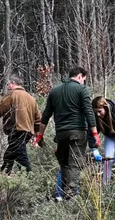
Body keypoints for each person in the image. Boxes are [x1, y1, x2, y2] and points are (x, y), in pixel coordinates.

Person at [36, 67, 97, 200]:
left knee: (64, 163)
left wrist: (40, 134)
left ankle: (63, 193)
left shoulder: (54, 91)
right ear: (80, 76)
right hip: (78, 132)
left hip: (61, 134)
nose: (84, 82)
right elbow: (88, 111)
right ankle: (70, 195)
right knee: (75, 163)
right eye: (84, 80)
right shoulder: (82, 90)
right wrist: (95, 133)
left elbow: (46, 114)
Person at [0, 76, 42, 174]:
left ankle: (29, 175)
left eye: (8, 84)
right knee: (10, 154)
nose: (8, 86)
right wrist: (35, 133)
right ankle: (5, 175)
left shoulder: (12, 95)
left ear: (13, 83)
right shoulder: (31, 98)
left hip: (16, 130)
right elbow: (38, 119)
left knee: (21, 155)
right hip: (27, 132)